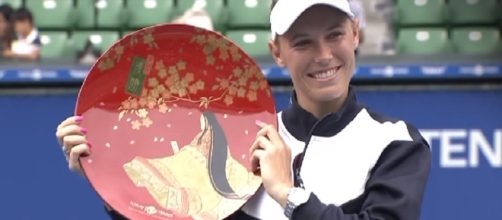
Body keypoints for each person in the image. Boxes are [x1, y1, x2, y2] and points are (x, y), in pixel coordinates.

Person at [56, 0, 431, 219]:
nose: (323, 55)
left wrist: (288, 192)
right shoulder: (239, 140)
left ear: (355, 34)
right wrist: (106, 174)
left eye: (334, 35)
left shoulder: (395, 142)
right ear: (276, 52)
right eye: (302, 42)